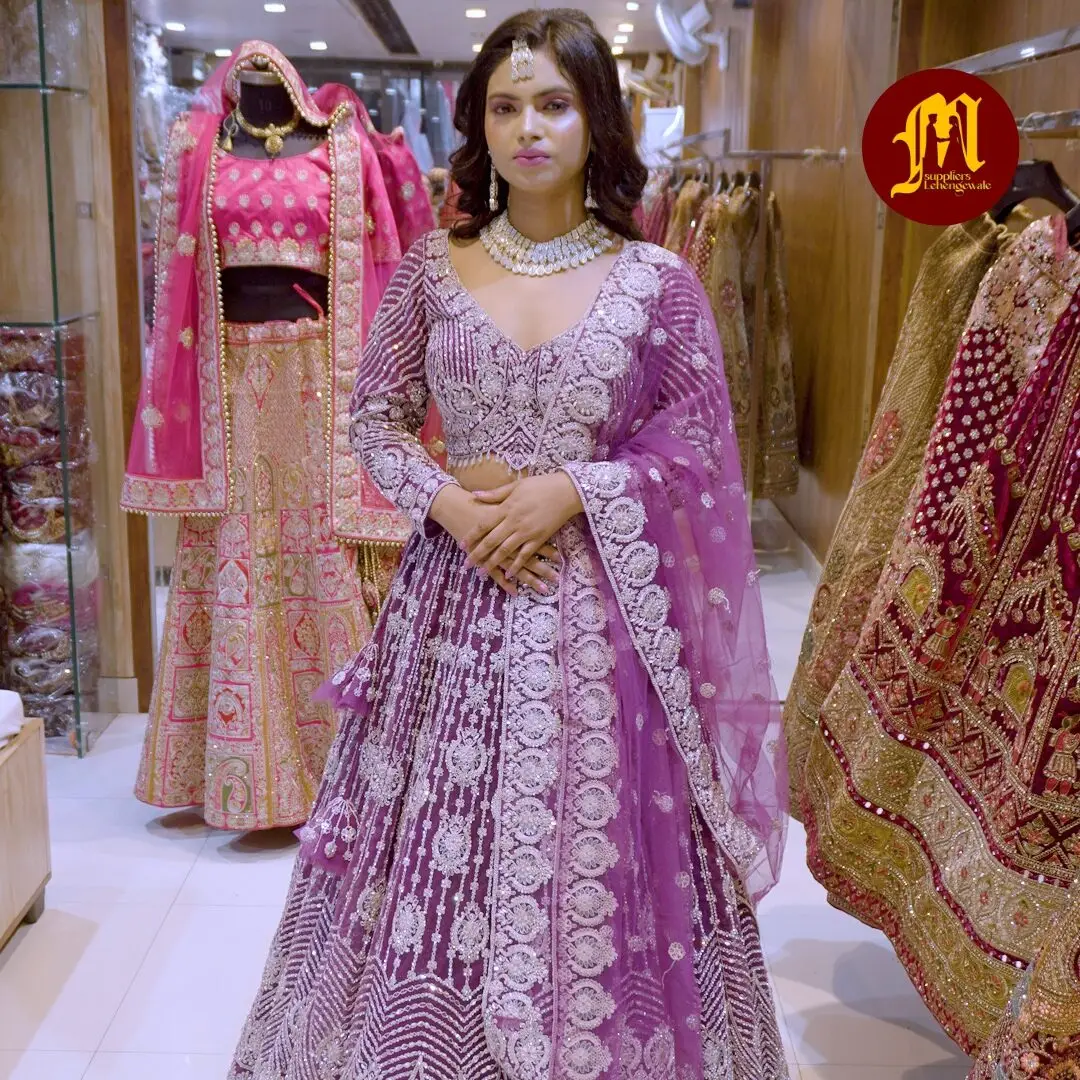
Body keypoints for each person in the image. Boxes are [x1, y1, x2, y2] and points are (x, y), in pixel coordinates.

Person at [228, 10, 788, 1079]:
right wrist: (452, 505)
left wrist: (573, 490)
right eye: (506, 107)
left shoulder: (656, 281)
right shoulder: (433, 270)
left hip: (606, 622)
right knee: (440, 840)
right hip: (454, 611)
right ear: (479, 127)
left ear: (596, 120)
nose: (529, 128)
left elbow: (698, 448)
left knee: (600, 843)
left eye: (554, 104)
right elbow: (375, 420)